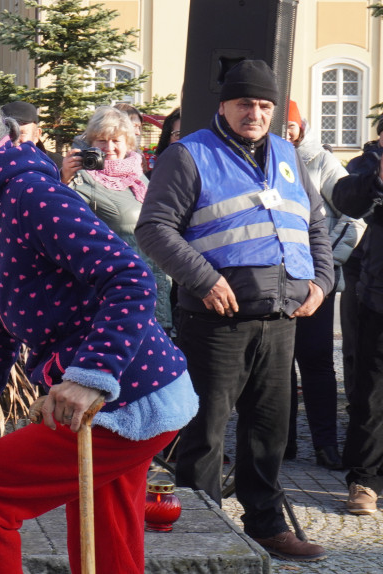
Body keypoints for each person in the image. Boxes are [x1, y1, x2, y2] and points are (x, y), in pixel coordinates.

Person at [0, 86, 198, 574]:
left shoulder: (31, 195)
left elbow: (130, 277)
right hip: (112, 396)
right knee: (106, 545)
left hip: (129, 396)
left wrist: (89, 375)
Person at [136, 60, 334, 562]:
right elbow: (154, 228)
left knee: (270, 430)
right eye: (246, 103)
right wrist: (203, 278)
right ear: (223, 105)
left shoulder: (288, 155)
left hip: (282, 316)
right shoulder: (189, 155)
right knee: (205, 430)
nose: (256, 113)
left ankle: (265, 525)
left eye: (265, 105)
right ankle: (202, 536)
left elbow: (315, 225)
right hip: (216, 318)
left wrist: (322, 281)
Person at [283, 101, 364, 470]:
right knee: (276, 364)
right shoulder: (263, 159)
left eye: (291, 125)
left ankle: (325, 445)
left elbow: (353, 216)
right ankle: (280, 443)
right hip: (275, 280)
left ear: (302, 126)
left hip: (316, 279)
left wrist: (325, 264)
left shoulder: (322, 162)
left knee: (315, 361)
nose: (286, 132)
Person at [60, 106, 173, 331]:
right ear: (91, 143)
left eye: (116, 141)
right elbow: (62, 221)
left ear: (128, 143)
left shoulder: (138, 176)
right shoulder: (83, 179)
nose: (109, 148)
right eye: (101, 140)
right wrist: (63, 179)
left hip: (155, 283)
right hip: (117, 290)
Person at [332, 124, 383, 515]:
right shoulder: (365, 167)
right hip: (376, 298)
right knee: (370, 395)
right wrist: (377, 180)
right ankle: (364, 480)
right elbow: (346, 201)